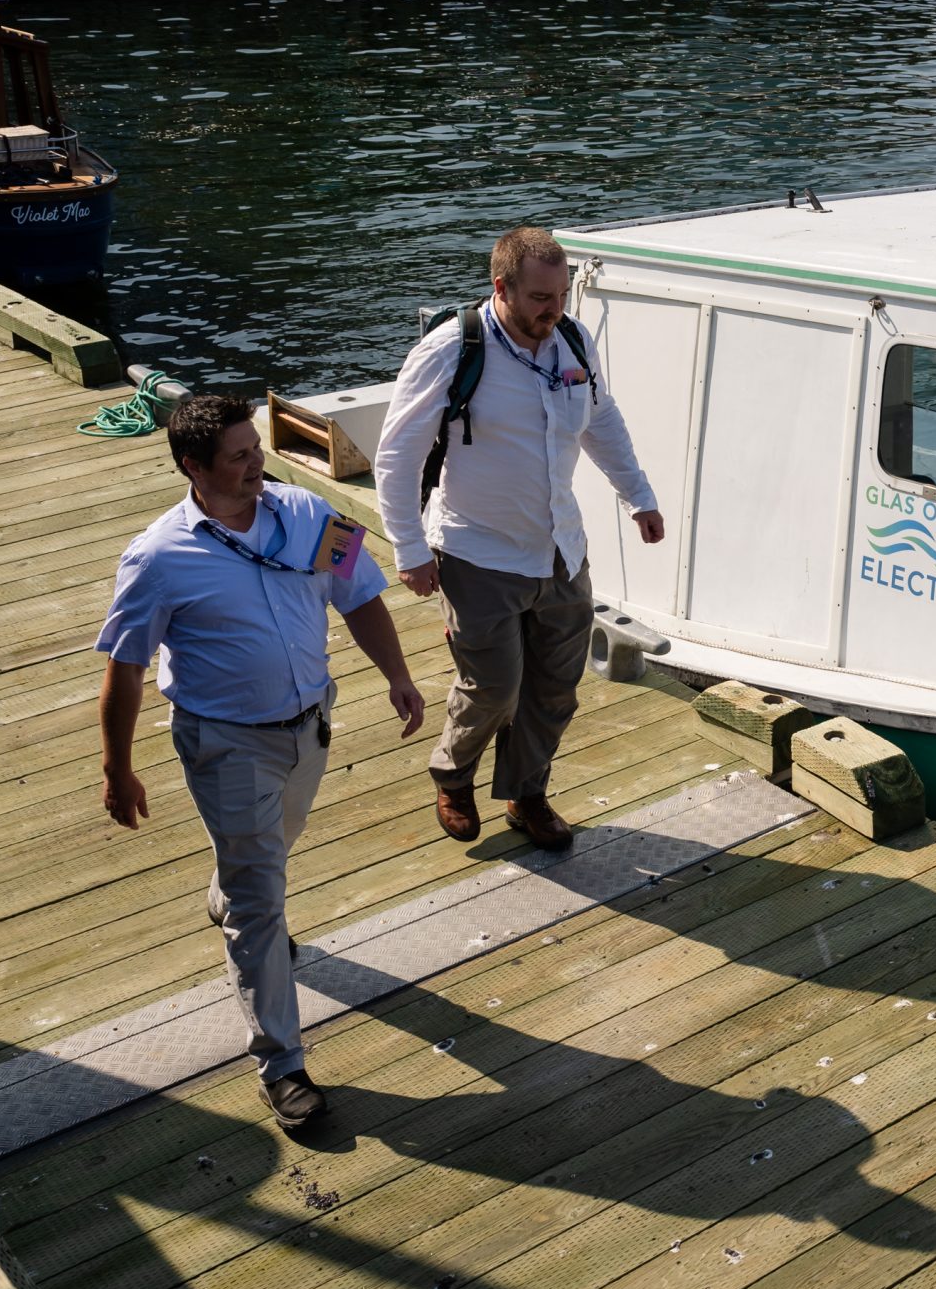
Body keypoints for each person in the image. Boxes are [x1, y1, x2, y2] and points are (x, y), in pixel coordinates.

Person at [96, 394, 425, 1129]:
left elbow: (360, 596)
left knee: (268, 852)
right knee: (260, 904)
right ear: (194, 467)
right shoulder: (157, 557)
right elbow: (124, 669)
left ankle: (232, 889)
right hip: (228, 746)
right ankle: (282, 1064)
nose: (257, 464)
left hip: (310, 730)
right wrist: (118, 768)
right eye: (239, 456)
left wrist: (398, 675)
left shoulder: (308, 513)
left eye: (257, 448)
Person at [371, 227, 663, 848]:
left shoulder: (573, 340)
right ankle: (454, 776)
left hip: (561, 550)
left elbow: (600, 418)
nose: (553, 310)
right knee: (495, 687)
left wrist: (638, 495)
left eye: (561, 295)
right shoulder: (452, 350)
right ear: (500, 287)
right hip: (477, 549)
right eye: (539, 297)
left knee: (555, 686)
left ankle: (526, 793)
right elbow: (396, 456)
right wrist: (410, 549)